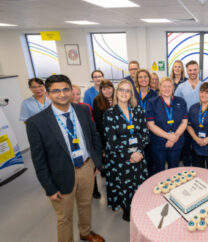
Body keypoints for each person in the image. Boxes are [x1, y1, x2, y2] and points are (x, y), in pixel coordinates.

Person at [26, 74, 104, 242]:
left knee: (85, 205)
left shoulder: (82, 110)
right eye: (56, 91)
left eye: (65, 89)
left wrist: (96, 161)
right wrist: (49, 187)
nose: (62, 94)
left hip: (86, 168)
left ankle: (85, 232)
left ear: (71, 91)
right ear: (47, 94)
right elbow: (38, 159)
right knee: (64, 217)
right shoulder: (37, 122)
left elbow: (94, 135)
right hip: (60, 175)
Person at [103, 79, 149, 221]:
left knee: (138, 183)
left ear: (131, 94)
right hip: (120, 157)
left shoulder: (138, 110)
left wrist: (139, 152)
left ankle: (139, 205)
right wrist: (130, 154)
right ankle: (127, 208)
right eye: (121, 90)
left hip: (138, 154)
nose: (124, 93)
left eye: (127, 90)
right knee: (124, 184)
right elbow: (112, 140)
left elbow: (144, 133)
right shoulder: (109, 113)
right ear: (116, 93)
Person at [146, 77, 188, 173]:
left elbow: (184, 122)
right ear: (160, 87)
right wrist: (169, 137)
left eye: (169, 86)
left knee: (173, 168)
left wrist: (175, 137)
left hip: (176, 141)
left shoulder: (181, 102)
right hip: (158, 142)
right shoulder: (152, 102)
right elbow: (151, 125)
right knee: (159, 169)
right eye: (164, 86)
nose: (167, 89)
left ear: (173, 87)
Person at [175, 60, 202, 166]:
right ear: (186, 71)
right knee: (186, 147)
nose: (192, 72)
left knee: (198, 147)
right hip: (185, 123)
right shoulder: (181, 87)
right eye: (190, 70)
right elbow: (176, 104)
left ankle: (197, 167)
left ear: (198, 70)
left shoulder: (204, 85)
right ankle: (186, 167)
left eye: (195, 69)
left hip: (200, 122)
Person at [134, 69, 157, 174]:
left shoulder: (154, 94)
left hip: (150, 129)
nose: (143, 79)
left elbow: (157, 113)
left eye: (145, 76)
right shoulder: (132, 92)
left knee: (150, 156)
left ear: (149, 79)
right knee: (137, 154)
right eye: (140, 77)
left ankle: (150, 177)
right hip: (135, 129)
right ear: (137, 79)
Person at [92, 80, 114, 150]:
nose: (107, 91)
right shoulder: (97, 100)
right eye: (104, 89)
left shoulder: (118, 98)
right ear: (101, 90)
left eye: (109, 88)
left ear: (113, 88)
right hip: (105, 134)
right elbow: (98, 122)